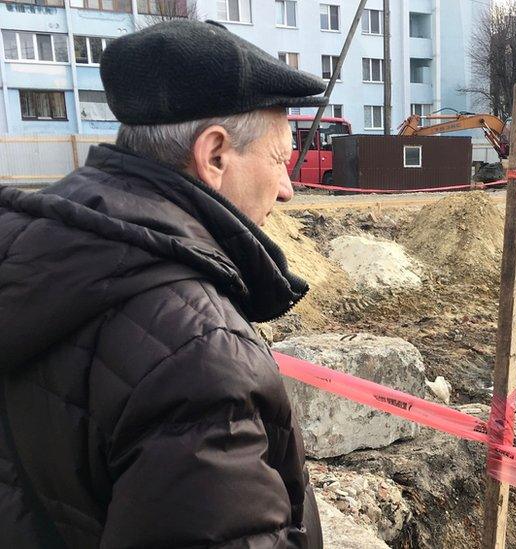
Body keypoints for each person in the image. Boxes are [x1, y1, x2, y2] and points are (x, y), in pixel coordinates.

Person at [0, 21, 328, 547]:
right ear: (215, 154)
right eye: (280, 159)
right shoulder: (200, 358)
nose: (289, 188)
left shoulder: (37, 249)